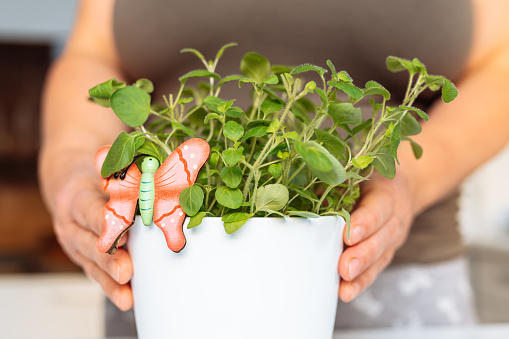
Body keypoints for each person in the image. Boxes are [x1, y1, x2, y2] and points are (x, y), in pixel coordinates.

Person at [39, 0, 509, 332]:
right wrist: (69, 160)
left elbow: (500, 63)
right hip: (169, 283)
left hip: (400, 293)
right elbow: (93, 52)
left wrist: (410, 179)